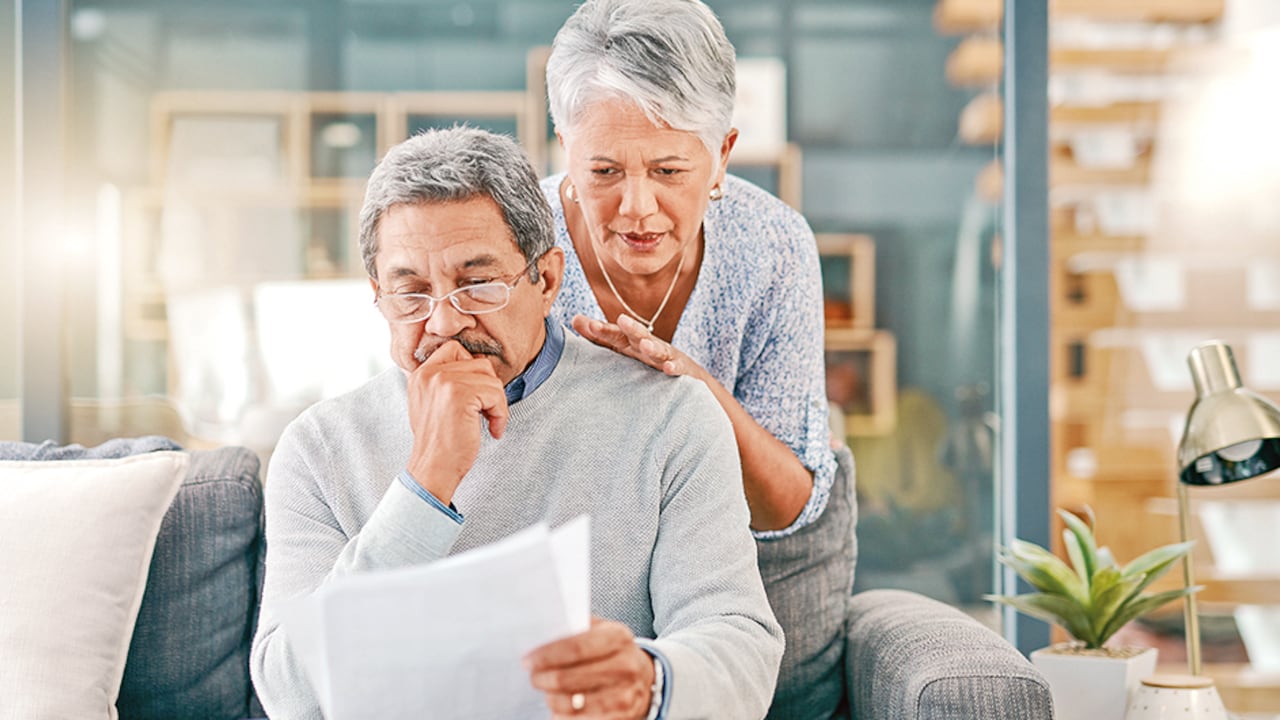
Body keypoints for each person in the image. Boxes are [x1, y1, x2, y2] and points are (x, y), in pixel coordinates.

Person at [249, 126, 784, 719]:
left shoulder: (671, 416)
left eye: (477, 285)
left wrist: (650, 683)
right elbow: (290, 695)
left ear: (547, 279)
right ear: (379, 295)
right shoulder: (317, 447)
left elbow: (743, 651)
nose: (444, 324)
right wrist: (425, 485)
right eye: (412, 293)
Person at [542, 1, 856, 716]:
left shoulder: (771, 247)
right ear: (565, 146)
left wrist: (689, 384)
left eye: (668, 168)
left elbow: (789, 507)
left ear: (723, 155)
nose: (637, 208)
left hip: (715, 621)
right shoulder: (519, 241)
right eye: (604, 170)